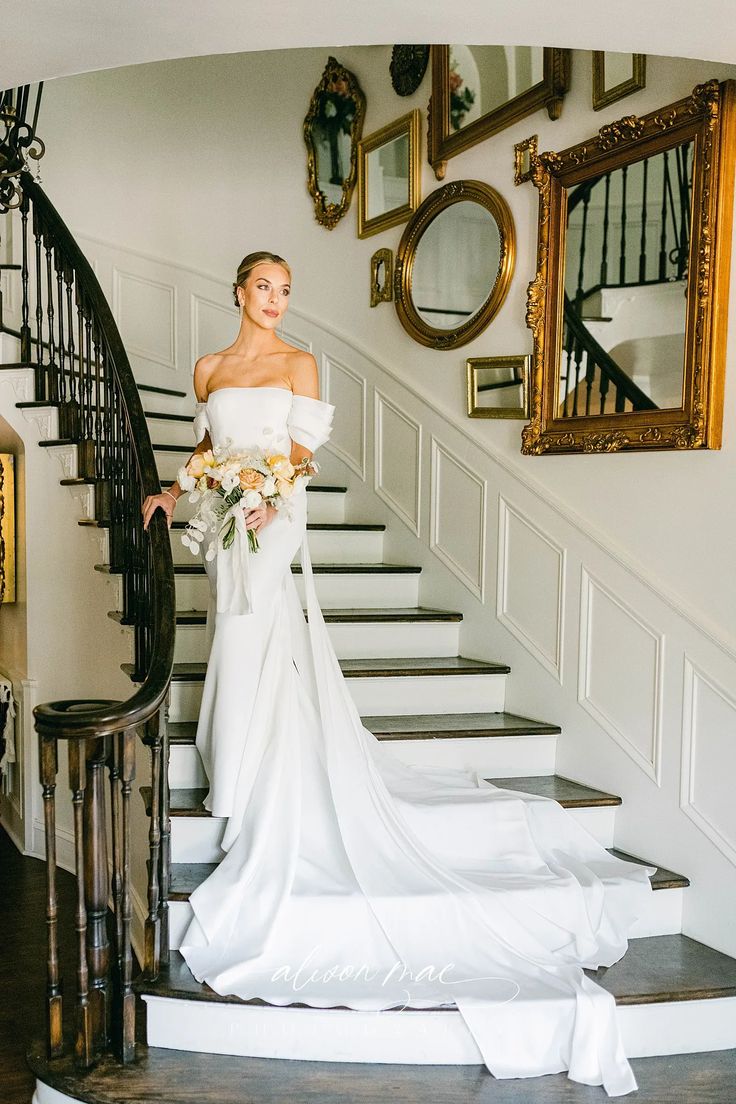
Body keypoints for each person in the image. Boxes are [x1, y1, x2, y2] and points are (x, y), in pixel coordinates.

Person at [142, 251, 655, 1097]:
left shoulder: (300, 361)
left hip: (275, 518)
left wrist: (271, 496)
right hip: (226, 516)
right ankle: (237, 766)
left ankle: (254, 778)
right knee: (231, 634)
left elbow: (300, 453)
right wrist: (172, 494)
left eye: (285, 289)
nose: (275, 301)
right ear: (238, 292)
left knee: (258, 631)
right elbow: (208, 446)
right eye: (264, 288)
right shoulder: (209, 368)